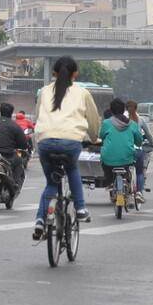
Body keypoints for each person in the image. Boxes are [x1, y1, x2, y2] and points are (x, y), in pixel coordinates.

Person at [32, 56, 102, 240]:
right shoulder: (83, 93)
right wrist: (94, 138)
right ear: (75, 74)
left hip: (45, 142)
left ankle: (40, 220)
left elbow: (37, 117)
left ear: (54, 73)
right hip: (71, 142)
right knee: (72, 170)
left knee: (51, 183)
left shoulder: (44, 92)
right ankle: (80, 208)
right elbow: (94, 120)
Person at [100, 99, 144, 201]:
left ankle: (110, 182)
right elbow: (139, 142)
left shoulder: (106, 123)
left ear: (111, 110)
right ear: (124, 109)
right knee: (130, 167)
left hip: (108, 158)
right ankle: (132, 186)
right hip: (127, 157)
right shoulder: (132, 124)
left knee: (103, 160)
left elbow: (101, 136)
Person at [0, 102, 32, 190]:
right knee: (19, 162)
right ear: (11, 113)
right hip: (8, 156)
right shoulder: (15, 126)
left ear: (0, 111)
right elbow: (23, 144)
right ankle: (15, 183)